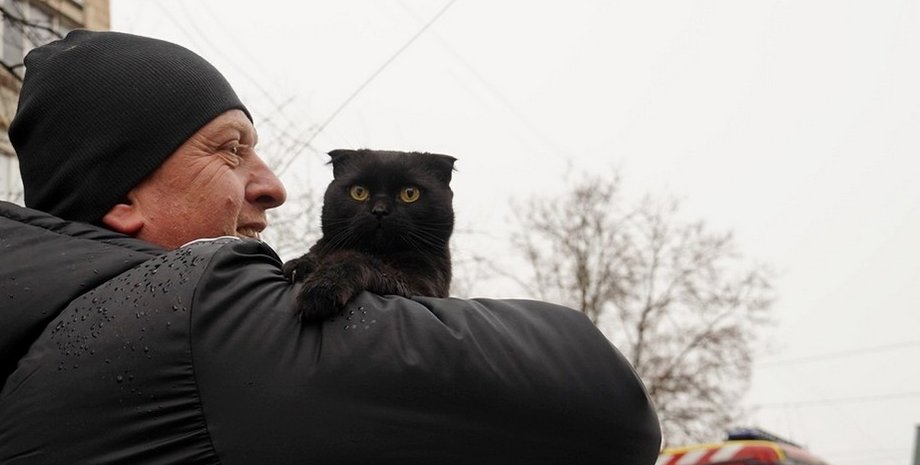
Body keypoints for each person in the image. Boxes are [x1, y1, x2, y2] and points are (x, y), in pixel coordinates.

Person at [0, 30, 661, 464]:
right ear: (123, 199)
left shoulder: (38, 341)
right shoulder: (193, 322)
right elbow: (611, 405)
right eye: (230, 151)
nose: (274, 187)